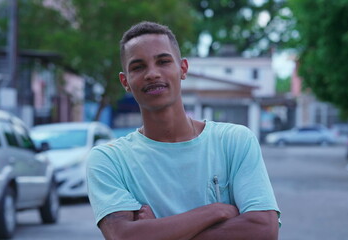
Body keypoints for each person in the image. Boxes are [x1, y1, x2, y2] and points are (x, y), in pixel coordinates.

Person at [86, 21, 280, 240]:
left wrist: (158, 232)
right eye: (138, 67)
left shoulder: (234, 141)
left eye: (163, 61)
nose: (152, 73)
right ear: (125, 82)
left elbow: (264, 229)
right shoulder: (110, 160)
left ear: (183, 69)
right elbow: (124, 236)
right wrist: (216, 211)